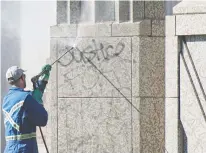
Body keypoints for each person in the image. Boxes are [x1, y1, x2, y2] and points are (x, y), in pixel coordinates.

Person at [2, 65, 52, 153]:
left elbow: (24, 111)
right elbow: (43, 119)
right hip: (24, 149)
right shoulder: (26, 98)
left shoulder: (6, 99)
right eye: (24, 76)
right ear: (21, 78)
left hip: (9, 149)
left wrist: (42, 82)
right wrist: (38, 101)